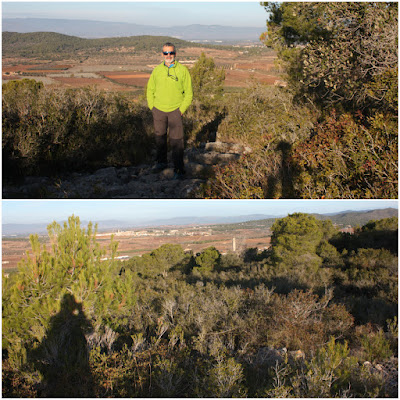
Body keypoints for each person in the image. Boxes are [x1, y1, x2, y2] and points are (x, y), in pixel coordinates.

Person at [147, 42, 193, 179]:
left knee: (176, 141)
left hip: (175, 111)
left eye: (171, 53)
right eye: (166, 53)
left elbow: (189, 93)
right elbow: (150, 90)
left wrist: (181, 110)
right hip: (158, 110)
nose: (168, 56)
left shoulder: (183, 70)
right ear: (162, 54)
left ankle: (179, 169)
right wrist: (152, 107)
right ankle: (161, 163)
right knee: (159, 138)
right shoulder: (157, 70)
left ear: (175, 54)